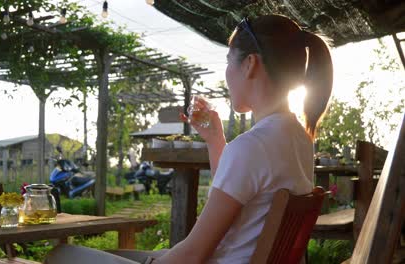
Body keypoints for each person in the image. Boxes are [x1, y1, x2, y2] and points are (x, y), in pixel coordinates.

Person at [44, 14, 333, 264]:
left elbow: (192, 256)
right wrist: (215, 138)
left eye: (228, 61)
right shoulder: (297, 140)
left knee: (61, 256)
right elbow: (239, 195)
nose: (226, 73)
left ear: (250, 65)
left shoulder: (253, 146)